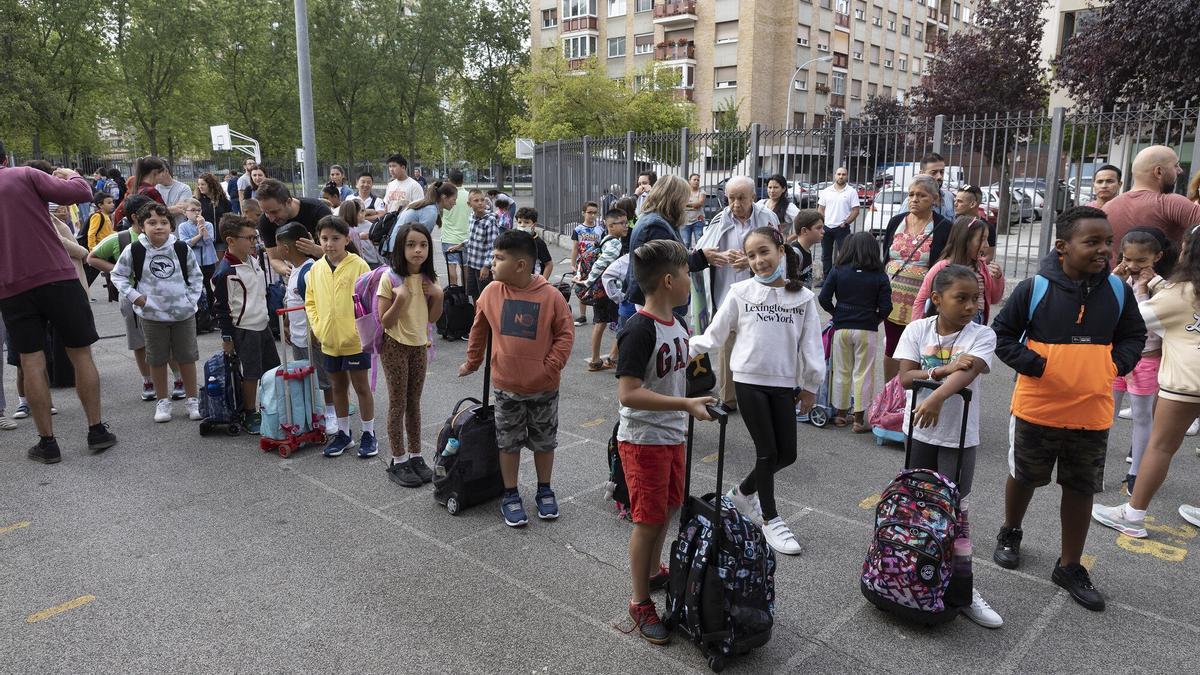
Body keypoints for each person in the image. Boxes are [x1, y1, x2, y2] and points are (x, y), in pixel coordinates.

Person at [990, 206, 1146, 612]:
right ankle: (1010, 531)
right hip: (1038, 407)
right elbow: (1002, 336)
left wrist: (1113, 366)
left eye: (1107, 242)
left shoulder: (1117, 291)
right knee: (1024, 476)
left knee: (1080, 488)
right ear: (1062, 246)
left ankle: (1070, 564)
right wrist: (1039, 365)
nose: (1104, 250)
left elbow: (1134, 335)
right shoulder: (1035, 288)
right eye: (1092, 242)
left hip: (1091, 412)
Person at [690, 226, 823, 555]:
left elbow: (812, 347)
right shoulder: (740, 292)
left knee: (786, 455)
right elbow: (714, 334)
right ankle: (770, 518)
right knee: (767, 454)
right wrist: (685, 350)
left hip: (783, 383)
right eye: (751, 256)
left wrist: (810, 386)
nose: (759, 260)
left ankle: (739, 495)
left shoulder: (803, 297)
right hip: (748, 381)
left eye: (764, 251)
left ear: (781, 249)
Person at [614, 238, 716, 645]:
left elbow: (682, 373)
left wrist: (698, 394)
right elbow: (628, 393)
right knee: (649, 519)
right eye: (688, 275)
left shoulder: (679, 324)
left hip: (672, 436)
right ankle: (640, 601)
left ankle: (655, 570)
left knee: (670, 506)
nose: (692, 281)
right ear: (669, 280)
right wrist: (685, 403)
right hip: (643, 441)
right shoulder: (639, 328)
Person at [894, 264, 1002, 629]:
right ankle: (908, 573)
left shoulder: (982, 335)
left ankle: (963, 589)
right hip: (919, 432)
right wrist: (940, 371)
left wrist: (937, 396)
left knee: (955, 515)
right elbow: (905, 377)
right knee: (915, 508)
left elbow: (969, 372)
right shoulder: (916, 329)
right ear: (937, 299)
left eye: (976, 298)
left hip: (958, 438)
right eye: (962, 298)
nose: (971, 305)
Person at [0, 142, 117, 463]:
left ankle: (47, 442)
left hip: (11, 287)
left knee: (31, 361)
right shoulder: (23, 175)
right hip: (58, 277)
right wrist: (70, 174)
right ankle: (96, 430)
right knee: (80, 354)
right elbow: (79, 192)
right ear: (4, 158)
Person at [458, 230, 575, 527]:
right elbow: (478, 330)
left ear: (521, 265)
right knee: (507, 442)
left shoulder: (550, 295)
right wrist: (472, 362)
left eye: (499, 258)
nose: (492, 263)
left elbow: (565, 334)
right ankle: (510, 494)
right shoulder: (491, 293)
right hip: (506, 386)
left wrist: (551, 367)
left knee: (544, 441)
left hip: (544, 387)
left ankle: (544, 489)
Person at [1092, 224, 1200, 535]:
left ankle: (1133, 515)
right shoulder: (1176, 291)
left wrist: (1137, 287)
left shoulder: (1182, 293)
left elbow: (1136, 316)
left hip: (1186, 382)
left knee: (1161, 446)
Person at [692, 176, 781, 409]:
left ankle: (758, 397)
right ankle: (728, 398)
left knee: (759, 347)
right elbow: (702, 250)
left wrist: (750, 262)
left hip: (759, 296)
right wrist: (716, 257)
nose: (735, 203)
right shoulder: (720, 220)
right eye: (731, 198)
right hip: (726, 295)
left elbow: (778, 255)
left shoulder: (767, 219)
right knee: (726, 349)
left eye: (741, 198)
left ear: (753, 197)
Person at [111, 203, 203, 423]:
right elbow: (118, 275)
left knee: (187, 357)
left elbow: (196, 277)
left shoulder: (181, 248)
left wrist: (190, 301)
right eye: (152, 222)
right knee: (157, 359)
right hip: (152, 316)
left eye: (164, 222)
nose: (158, 227)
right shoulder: (135, 249)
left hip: (183, 314)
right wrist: (136, 297)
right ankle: (163, 401)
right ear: (142, 226)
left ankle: (193, 399)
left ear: (171, 225)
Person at [88, 195, 182, 400]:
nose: (156, 220)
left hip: (161, 297)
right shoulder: (119, 239)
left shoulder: (164, 239)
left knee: (169, 340)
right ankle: (148, 381)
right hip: (131, 298)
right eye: (149, 216)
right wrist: (116, 270)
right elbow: (92, 257)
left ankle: (178, 378)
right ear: (135, 217)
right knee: (139, 342)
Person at [1105, 229, 1170, 496]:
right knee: (1105, 413)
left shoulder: (1162, 287)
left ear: (1157, 257)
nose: (1133, 266)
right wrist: (1112, 280)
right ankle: (1095, 466)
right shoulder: (1119, 279)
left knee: (1142, 417)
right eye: (1127, 259)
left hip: (1145, 359)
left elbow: (1148, 319)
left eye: (1141, 261)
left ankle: (1136, 473)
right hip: (1117, 356)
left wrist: (1142, 289)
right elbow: (1106, 310)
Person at [378, 223, 444, 487]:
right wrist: (401, 299)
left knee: (414, 402)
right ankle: (399, 459)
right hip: (394, 345)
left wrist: (438, 295)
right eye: (411, 245)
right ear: (400, 248)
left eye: (423, 245)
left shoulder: (430, 280)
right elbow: (385, 321)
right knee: (397, 403)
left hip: (419, 345)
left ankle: (416, 455)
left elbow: (432, 318)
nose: (418, 250)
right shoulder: (391, 278)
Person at [305, 216, 376, 458]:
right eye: (324, 238)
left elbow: (370, 300)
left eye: (335, 238)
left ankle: (368, 433)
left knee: (361, 387)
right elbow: (310, 301)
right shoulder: (315, 269)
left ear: (347, 239)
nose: (329, 244)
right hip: (329, 341)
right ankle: (344, 434)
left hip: (355, 341)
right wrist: (317, 327)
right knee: (337, 386)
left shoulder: (359, 266)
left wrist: (363, 329)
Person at [880, 175, 954, 382]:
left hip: (924, 301)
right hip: (892, 299)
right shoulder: (896, 222)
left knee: (919, 348)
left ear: (935, 199)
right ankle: (889, 394)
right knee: (892, 346)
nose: (914, 199)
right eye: (911, 194)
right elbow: (885, 257)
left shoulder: (944, 227)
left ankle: (913, 394)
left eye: (921, 195)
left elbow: (946, 263)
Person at [212, 214, 281, 436]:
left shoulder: (252, 260)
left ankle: (268, 406)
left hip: (263, 324)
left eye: (255, 237)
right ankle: (249, 411)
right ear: (231, 240)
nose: (254, 242)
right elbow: (221, 308)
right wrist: (227, 339)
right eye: (249, 238)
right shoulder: (226, 272)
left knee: (271, 369)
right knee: (251, 373)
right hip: (244, 328)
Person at [818, 231, 891, 432]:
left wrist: (837, 313)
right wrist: (874, 319)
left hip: (842, 328)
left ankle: (841, 415)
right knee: (863, 373)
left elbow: (823, 298)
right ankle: (859, 420)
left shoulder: (838, 270)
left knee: (841, 371)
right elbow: (886, 308)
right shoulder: (879, 275)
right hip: (867, 329)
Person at [275, 223, 334, 429]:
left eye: (278, 246)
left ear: (286, 249)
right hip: (299, 337)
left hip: (312, 338)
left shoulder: (310, 272)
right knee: (306, 378)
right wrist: (287, 324)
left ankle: (332, 414)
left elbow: (318, 304)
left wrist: (314, 331)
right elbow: (291, 300)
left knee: (324, 379)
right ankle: (314, 414)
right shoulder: (294, 270)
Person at [1103, 145, 1200, 255]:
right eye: (1176, 166)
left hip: (1117, 272)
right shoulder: (1171, 203)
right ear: (1158, 171)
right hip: (1165, 272)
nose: (1180, 170)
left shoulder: (1108, 207)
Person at [911, 216, 1005, 325]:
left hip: (977, 321)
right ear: (965, 240)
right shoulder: (943, 267)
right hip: (950, 322)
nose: (987, 245)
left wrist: (998, 278)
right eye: (981, 239)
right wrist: (916, 329)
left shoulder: (982, 268)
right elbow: (921, 300)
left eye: (987, 239)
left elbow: (994, 299)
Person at [576, 208, 628, 371]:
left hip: (599, 290)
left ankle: (595, 360)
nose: (626, 226)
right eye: (623, 223)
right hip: (609, 290)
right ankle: (612, 358)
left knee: (600, 322)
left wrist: (587, 280)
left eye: (627, 222)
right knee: (623, 323)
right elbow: (601, 263)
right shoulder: (615, 243)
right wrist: (588, 282)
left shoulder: (604, 239)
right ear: (611, 226)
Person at [256, 179, 331, 277]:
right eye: (265, 213)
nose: (270, 219)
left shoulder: (319, 212)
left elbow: (340, 253)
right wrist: (288, 270)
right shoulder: (264, 222)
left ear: (288, 201)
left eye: (274, 212)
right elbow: (274, 259)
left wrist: (314, 250)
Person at [385, 181, 457, 256]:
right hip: (399, 249)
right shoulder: (431, 211)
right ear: (444, 197)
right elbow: (421, 238)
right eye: (454, 199)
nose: (455, 203)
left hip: (396, 246)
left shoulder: (426, 205)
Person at [816, 167, 861, 283]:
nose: (841, 176)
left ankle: (843, 278)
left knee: (845, 255)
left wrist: (846, 222)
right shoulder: (827, 191)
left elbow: (856, 210)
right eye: (839, 174)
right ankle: (826, 279)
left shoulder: (851, 191)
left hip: (842, 228)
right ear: (835, 175)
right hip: (826, 228)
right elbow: (820, 208)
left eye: (843, 174)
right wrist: (822, 224)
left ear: (847, 176)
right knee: (826, 255)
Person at [178, 198, 218, 317]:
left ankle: (213, 313)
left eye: (199, 210)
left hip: (208, 260)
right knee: (196, 287)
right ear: (185, 213)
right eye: (193, 210)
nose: (197, 213)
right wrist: (198, 235)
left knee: (210, 287)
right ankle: (200, 314)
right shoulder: (183, 226)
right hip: (194, 261)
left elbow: (209, 240)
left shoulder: (208, 225)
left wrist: (203, 230)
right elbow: (186, 243)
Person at [570, 201, 605, 325]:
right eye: (589, 213)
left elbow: (603, 247)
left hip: (597, 263)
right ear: (583, 213)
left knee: (597, 288)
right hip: (583, 263)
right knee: (582, 288)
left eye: (595, 213)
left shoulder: (600, 230)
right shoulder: (578, 230)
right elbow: (575, 248)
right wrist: (573, 264)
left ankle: (598, 315)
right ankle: (582, 315)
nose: (592, 216)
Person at [463, 189, 501, 302]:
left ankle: (486, 319)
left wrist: (486, 266)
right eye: (476, 200)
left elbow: (493, 246)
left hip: (483, 267)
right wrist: (461, 244)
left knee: (485, 298)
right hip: (472, 264)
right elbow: (473, 239)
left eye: (482, 200)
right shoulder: (471, 217)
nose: (480, 203)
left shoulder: (490, 221)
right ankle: (477, 318)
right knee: (474, 295)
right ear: (469, 204)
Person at [438, 169, 471, 286]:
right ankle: (466, 295)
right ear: (463, 180)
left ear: (449, 181)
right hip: (466, 238)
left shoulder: (446, 196)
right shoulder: (470, 196)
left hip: (449, 238)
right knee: (466, 268)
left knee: (451, 268)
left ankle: (455, 294)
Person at [112, 156, 167, 224]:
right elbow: (162, 213)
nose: (164, 175)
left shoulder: (137, 188)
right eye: (163, 172)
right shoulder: (151, 191)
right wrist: (175, 209)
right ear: (154, 172)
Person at [953, 184, 996, 262]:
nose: (955, 204)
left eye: (959, 201)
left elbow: (988, 255)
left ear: (972, 204)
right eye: (955, 200)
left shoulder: (988, 228)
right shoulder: (952, 224)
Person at [338, 200, 383, 268]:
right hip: (355, 265)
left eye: (363, 210)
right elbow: (357, 252)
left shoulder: (371, 226)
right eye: (357, 211)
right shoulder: (350, 231)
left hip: (370, 263)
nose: (360, 214)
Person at [196, 173, 231, 255]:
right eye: (199, 184)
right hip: (204, 239)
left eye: (203, 184)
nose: (200, 187)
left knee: (218, 265)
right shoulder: (198, 201)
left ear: (211, 185)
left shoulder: (223, 201)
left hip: (220, 239)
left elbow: (229, 218)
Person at [915, 152, 957, 220]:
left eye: (942, 172)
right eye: (934, 172)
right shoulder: (913, 201)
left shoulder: (949, 197)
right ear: (921, 174)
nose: (939, 176)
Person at [514, 207, 553, 279]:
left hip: (533, 281)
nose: (522, 225)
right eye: (520, 222)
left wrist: (543, 283)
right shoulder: (514, 239)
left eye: (526, 222)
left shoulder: (538, 243)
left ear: (534, 225)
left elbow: (549, 264)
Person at [790, 209, 824, 289]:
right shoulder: (795, 254)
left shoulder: (807, 249)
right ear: (804, 231)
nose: (823, 231)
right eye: (818, 228)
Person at [682, 173, 707, 249]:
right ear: (689, 181)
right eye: (694, 180)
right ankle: (685, 260)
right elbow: (681, 203)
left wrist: (687, 204)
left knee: (699, 241)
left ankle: (700, 259)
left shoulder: (702, 192)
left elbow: (699, 204)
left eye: (698, 180)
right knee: (685, 243)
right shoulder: (684, 192)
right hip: (685, 221)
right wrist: (693, 205)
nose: (696, 181)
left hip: (698, 220)